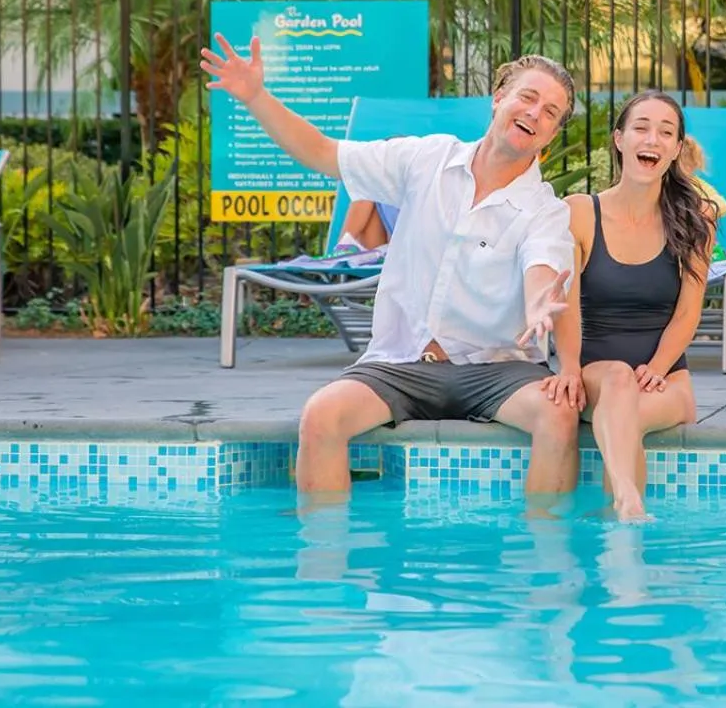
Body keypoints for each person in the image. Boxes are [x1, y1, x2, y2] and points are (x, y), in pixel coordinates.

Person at [201, 34, 586, 505]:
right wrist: (256, 97)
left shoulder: (544, 210)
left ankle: (543, 564)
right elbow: (324, 153)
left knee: (559, 415)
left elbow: (542, 271)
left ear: (550, 135)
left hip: (494, 370)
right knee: (321, 416)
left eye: (550, 112)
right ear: (499, 98)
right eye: (528, 97)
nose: (535, 113)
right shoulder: (427, 158)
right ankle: (324, 565)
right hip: (402, 363)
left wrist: (540, 302)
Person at [550, 90, 719, 522]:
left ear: (677, 150)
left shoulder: (696, 218)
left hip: (668, 381)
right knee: (620, 386)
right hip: (597, 375)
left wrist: (658, 369)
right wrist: (569, 369)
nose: (653, 139)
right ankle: (628, 513)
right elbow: (565, 306)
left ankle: (622, 515)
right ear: (619, 139)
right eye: (642, 127)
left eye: (666, 133)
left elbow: (688, 312)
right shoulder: (580, 213)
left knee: (624, 415)